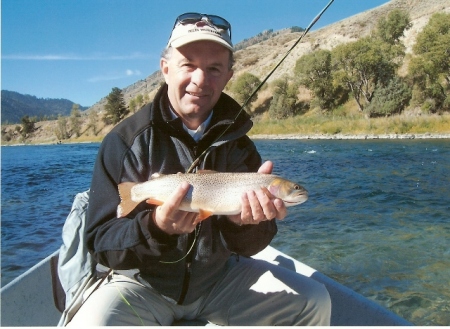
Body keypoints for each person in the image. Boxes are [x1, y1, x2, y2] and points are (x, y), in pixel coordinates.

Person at [68, 12, 331, 326]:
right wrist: (156, 228)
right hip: (141, 285)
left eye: (214, 68)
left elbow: (253, 246)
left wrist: (243, 224)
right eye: (188, 65)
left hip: (218, 282)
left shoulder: (239, 145)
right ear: (165, 69)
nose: (200, 79)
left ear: (228, 77)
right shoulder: (124, 142)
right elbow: (102, 246)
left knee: (314, 301)